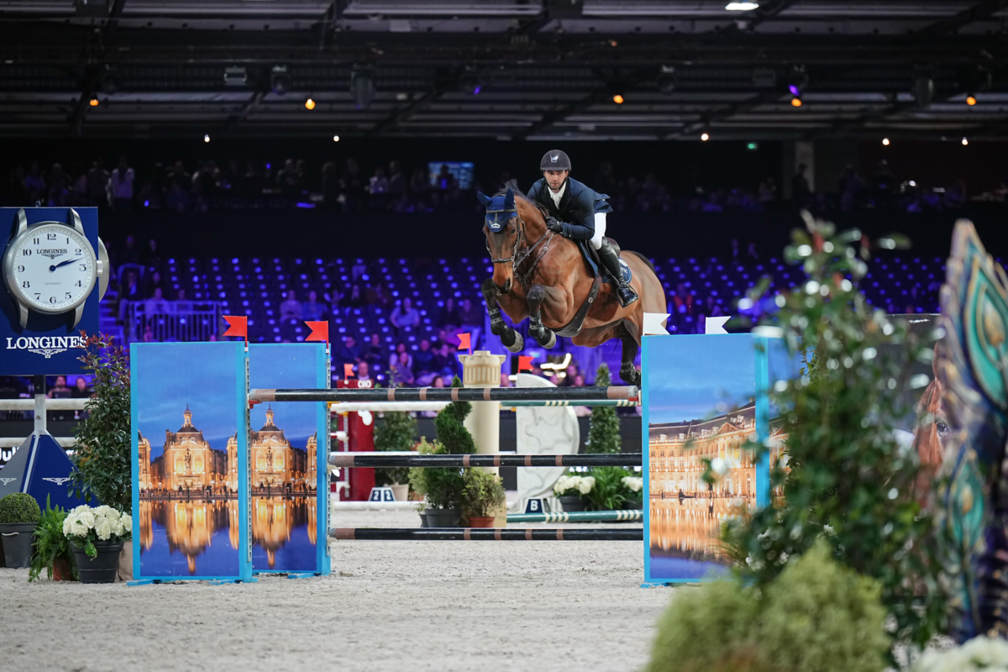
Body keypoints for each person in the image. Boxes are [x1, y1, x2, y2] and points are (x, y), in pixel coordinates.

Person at [526, 149, 637, 307]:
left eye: (559, 173)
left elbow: (588, 230)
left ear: (566, 173)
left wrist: (561, 226)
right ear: (543, 174)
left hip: (593, 212)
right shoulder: (536, 190)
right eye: (550, 173)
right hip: (566, 219)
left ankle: (623, 286)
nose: (555, 178)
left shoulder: (581, 193)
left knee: (596, 240)